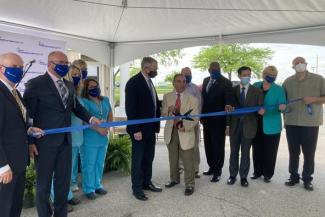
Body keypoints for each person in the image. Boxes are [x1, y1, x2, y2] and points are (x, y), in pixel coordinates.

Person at [23, 51, 101, 217]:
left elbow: (76, 108)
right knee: (43, 185)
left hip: (66, 142)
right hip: (44, 144)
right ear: (50, 64)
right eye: (62, 63)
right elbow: (28, 116)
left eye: (66, 63)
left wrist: (91, 118)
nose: (65, 66)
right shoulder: (35, 84)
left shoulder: (69, 85)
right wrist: (30, 141)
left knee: (63, 183)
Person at [0, 52, 43, 217]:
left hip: (18, 161)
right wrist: (2, 166)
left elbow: (15, 123)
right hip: (6, 166)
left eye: (20, 67)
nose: (18, 70)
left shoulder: (14, 92)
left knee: (14, 206)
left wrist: (29, 131)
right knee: (4, 208)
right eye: (14, 67)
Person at [49, 59, 88, 210]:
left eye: (79, 74)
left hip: (76, 136)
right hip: (64, 136)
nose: (77, 77)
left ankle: (67, 195)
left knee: (68, 169)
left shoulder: (77, 93)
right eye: (74, 75)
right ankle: (57, 198)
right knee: (58, 171)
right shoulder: (63, 91)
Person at [283, 56, 325, 191]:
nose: (300, 65)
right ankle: (293, 176)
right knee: (293, 152)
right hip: (292, 122)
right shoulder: (288, 82)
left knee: (309, 152)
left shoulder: (319, 79)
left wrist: (314, 99)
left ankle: (307, 179)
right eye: (297, 63)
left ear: (306, 64)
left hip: (310, 123)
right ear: (293, 66)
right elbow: (283, 101)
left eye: (302, 62)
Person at [125, 57, 161, 201]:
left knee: (149, 158)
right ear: (147, 68)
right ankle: (137, 188)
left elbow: (152, 104)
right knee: (138, 160)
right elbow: (130, 109)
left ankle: (147, 182)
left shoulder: (150, 82)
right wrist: (135, 130)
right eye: (155, 68)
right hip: (139, 130)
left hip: (151, 129)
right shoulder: (133, 83)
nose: (156, 71)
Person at [162, 74, 200, 196]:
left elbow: (195, 118)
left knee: (188, 159)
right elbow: (163, 113)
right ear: (173, 83)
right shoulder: (167, 96)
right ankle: (174, 179)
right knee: (173, 158)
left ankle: (190, 184)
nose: (182, 84)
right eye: (178, 81)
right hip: (171, 131)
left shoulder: (193, 99)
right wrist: (168, 109)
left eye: (184, 81)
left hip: (186, 132)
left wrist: (185, 127)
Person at [226, 66, 264, 187]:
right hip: (234, 126)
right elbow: (227, 109)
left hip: (249, 126)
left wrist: (262, 111)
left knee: (246, 153)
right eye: (244, 75)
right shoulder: (233, 90)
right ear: (239, 76)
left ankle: (243, 177)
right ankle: (232, 175)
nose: (247, 77)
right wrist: (227, 125)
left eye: (249, 74)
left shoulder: (257, 91)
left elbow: (261, 108)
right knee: (233, 152)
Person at [251, 66, 286, 182]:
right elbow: (250, 102)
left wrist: (282, 108)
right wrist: (257, 109)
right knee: (256, 150)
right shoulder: (256, 85)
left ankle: (267, 174)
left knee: (270, 151)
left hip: (272, 126)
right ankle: (257, 172)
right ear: (264, 74)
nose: (272, 77)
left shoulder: (279, 89)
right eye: (269, 75)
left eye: (274, 76)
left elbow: (283, 107)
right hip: (256, 124)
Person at [80, 78, 113, 200]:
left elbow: (110, 113)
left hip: (103, 137)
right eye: (91, 87)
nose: (95, 88)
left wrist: (108, 126)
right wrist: (99, 129)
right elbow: (84, 120)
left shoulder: (105, 99)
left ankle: (97, 185)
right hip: (90, 137)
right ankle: (88, 188)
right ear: (86, 89)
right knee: (89, 164)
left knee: (100, 163)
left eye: (96, 86)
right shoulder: (84, 101)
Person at [201, 61, 233, 182]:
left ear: (220, 70)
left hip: (219, 121)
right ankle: (211, 167)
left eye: (216, 69)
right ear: (209, 70)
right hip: (206, 120)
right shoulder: (205, 80)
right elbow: (204, 98)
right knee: (208, 145)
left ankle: (217, 171)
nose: (214, 71)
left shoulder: (226, 82)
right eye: (212, 69)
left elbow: (228, 100)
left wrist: (227, 123)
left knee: (218, 146)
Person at [181, 67, 202, 178]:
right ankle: (181, 167)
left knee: (194, 146)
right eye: (186, 74)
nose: (188, 76)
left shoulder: (195, 89)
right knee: (181, 145)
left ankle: (195, 169)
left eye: (189, 74)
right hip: (180, 123)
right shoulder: (177, 88)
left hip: (193, 122)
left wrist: (197, 120)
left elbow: (199, 105)